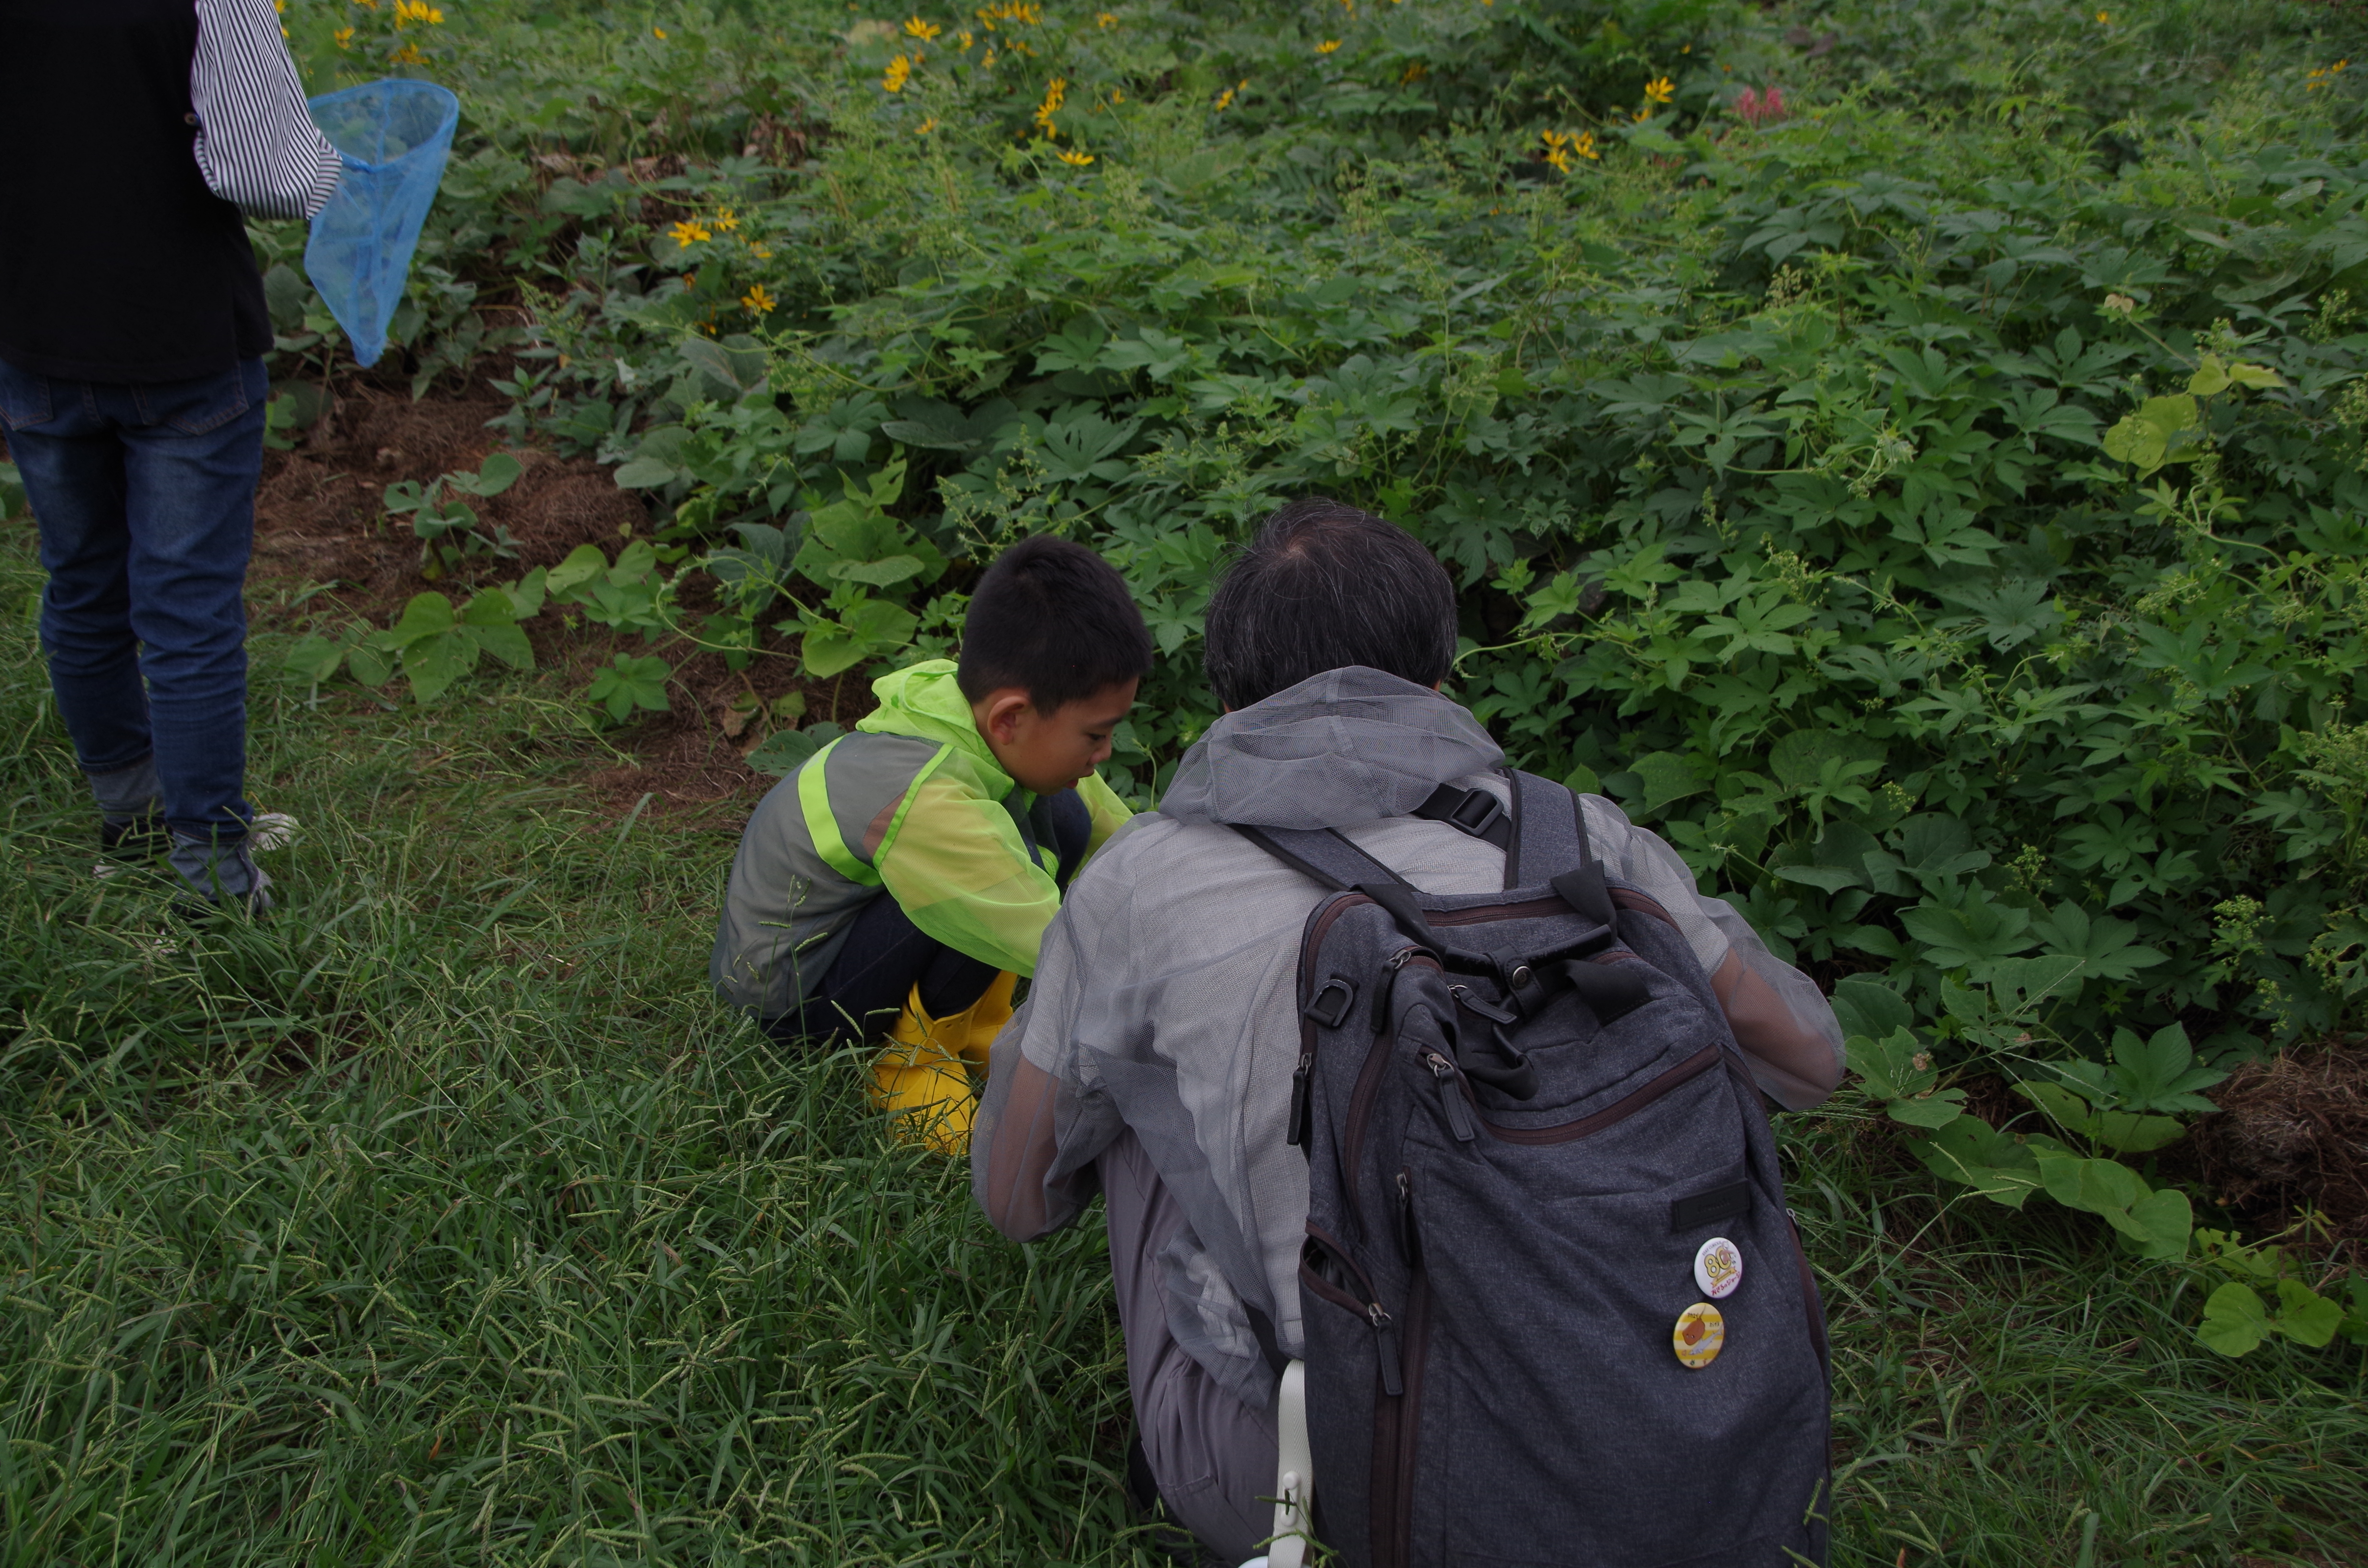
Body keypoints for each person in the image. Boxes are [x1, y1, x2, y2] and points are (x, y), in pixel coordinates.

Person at [970, 498, 1847, 1564]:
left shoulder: (1135, 885)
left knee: (1122, 1090)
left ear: (1235, 697)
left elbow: (1017, 1201)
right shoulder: (1578, 835)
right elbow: (1809, 1061)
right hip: (1675, 1424)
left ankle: (1225, 1438)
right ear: (1436, 684)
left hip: (1338, 1484)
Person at [0, 0, 341, 908]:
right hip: (180, 341)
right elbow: (270, 173)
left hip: (34, 332)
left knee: (80, 581)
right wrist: (326, 160)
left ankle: (133, 819)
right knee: (187, 611)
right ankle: (213, 867)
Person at [712, 534, 1153, 1151]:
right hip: (794, 1000)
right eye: (1096, 735)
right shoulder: (925, 801)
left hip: (848, 929)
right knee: (986, 892)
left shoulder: (973, 706)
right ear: (1010, 719)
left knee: (1067, 815)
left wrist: (1187, 887)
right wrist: (1185, 987)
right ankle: (910, 1067)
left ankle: (979, 1027)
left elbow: (1118, 837)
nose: (1105, 753)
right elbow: (1058, 941)